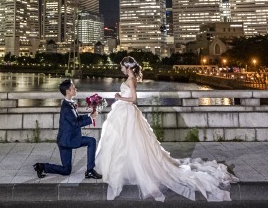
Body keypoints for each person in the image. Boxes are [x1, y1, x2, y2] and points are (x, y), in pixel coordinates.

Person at [95, 56, 237, 202]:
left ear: (128, 67)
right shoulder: (129, 79)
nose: (121, 69)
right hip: (123, 112)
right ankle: (125, 169)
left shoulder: (131, 80)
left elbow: (133, 99)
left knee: (131, 141)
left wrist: (119, 98)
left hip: (127, 111)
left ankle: (134, 171)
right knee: (123, 142)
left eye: (122, 67)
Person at [33, 79, 103, 180]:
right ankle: (89, 171)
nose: (76, 89)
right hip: (67, 141)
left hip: (67, 139)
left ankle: (42, 167)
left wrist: (89, 115)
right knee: (91, 142)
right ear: (68, 92)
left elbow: (76, 119)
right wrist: (91, 119)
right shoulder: (67, 108)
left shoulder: (69, 104)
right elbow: (75, 124)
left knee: (67, 170)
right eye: (73, 88)